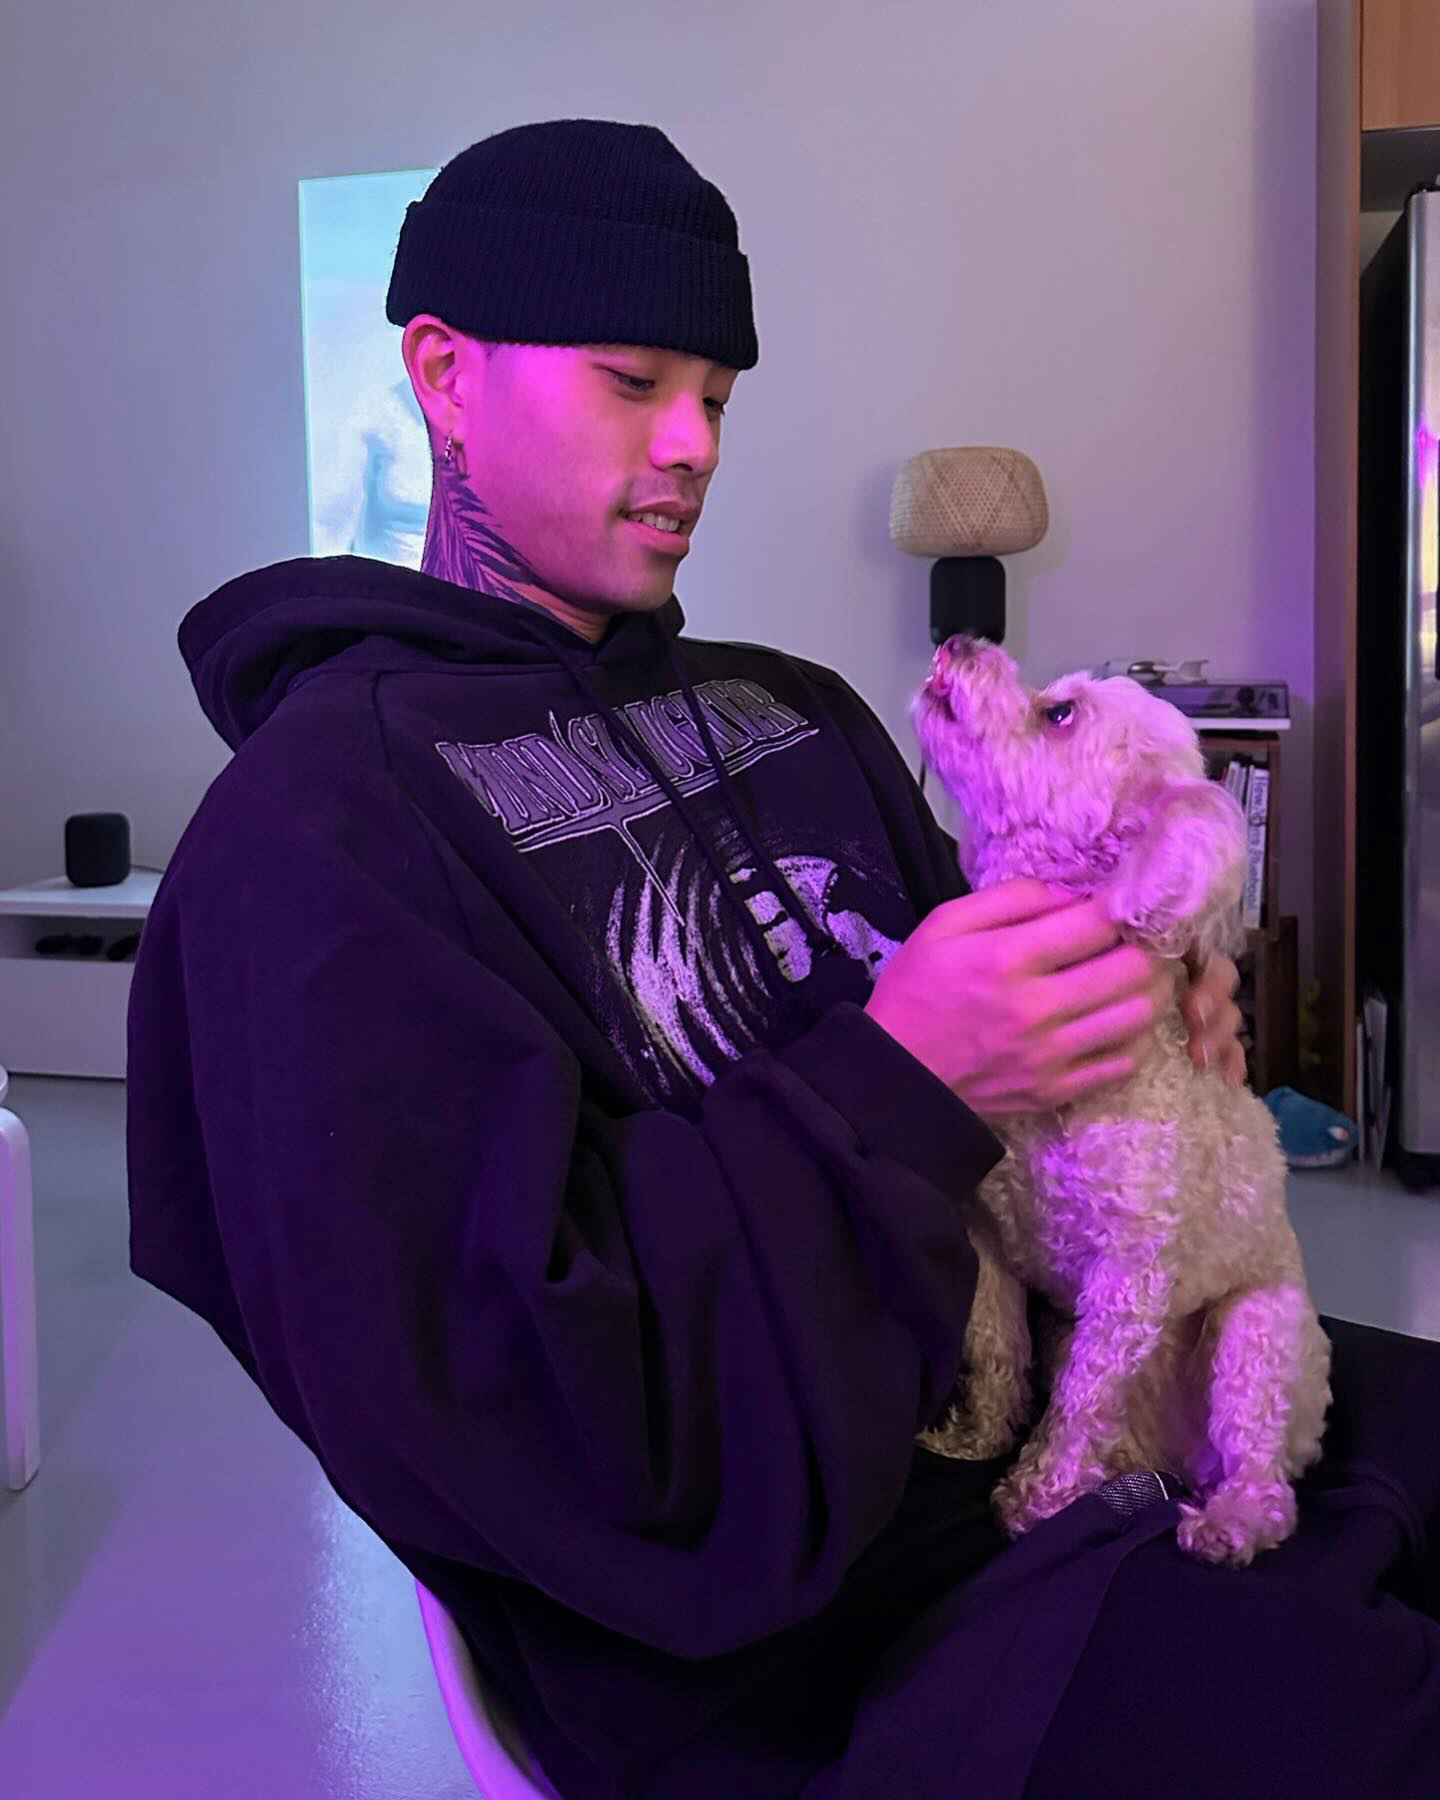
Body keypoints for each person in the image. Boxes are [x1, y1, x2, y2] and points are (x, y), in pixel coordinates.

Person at [126, 119, 1440, 1798]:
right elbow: (537, 1400)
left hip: (1085, 1401)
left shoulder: (795, 708)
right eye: (631, 381)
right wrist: (903, 1079)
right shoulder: (317, 833)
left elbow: (1015, 1063)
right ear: (446, 375)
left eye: (719, 397)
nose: (692, 447)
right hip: (834, 1635)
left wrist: (1133, 1010)